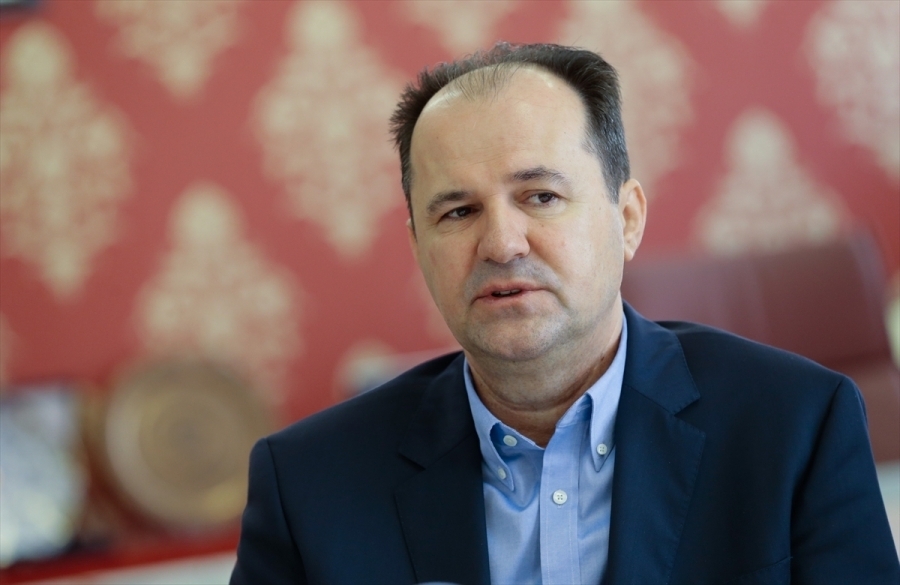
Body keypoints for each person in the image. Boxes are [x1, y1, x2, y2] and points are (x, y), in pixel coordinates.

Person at [230, 42, 899, 585]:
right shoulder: (308, 485)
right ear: (419, 247)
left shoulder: (797, 426)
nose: (501, 244)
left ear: (626, 218)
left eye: (541, 196)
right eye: (458, 211)